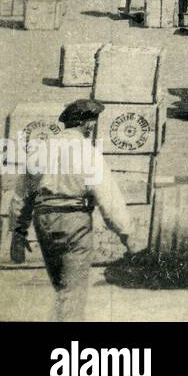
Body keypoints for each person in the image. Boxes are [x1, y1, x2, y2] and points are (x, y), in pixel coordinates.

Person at [9, 100, 136, 321]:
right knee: (73, 291)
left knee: (62, 288)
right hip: (74, 223)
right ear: (87, 124)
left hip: (44, 222)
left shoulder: (40, 151)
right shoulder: (89, 153)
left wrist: (18, 234)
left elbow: (22, 194)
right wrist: (128, 236)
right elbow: (109, 199)